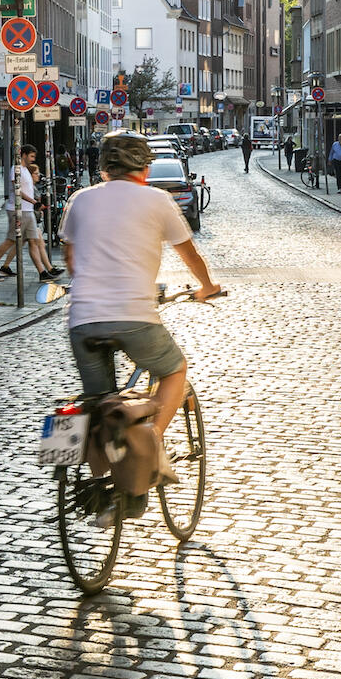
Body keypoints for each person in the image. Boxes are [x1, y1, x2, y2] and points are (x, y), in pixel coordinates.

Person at [61, 131, 224, 518]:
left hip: (83, 319)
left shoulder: (79, 200)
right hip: (134, 315)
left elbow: (72, 260)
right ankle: (149, 443)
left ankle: (89, 474)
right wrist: (207, 286)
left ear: (103, 168)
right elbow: (189, 252)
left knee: (99, 404)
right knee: (174, 370)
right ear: (144, 167)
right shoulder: (157, 199)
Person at [0, 145, 62, 281]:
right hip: (17, 210)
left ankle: (43, 273)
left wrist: (33, 203)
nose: (32, 159)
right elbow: (17, 189)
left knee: (33, 241)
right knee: (10, 241)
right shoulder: (16, 169)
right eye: (31, 156)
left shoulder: (25, 170)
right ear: (23, 155)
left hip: (28, 210)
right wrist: (34, 202)